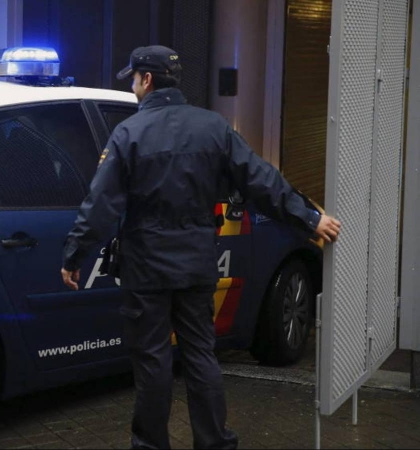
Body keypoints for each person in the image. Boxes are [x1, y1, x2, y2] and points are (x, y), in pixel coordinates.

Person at [60, 45, 341, 449]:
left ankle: (151, 444)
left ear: (148, 80)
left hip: (146, 269)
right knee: (200, 355)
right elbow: (261, 180)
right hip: (196, 264)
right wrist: (311, 218)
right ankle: (213, 442)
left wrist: (75, 255)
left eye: (135, 78)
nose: (134, 86)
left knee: (153, 361)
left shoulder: (129, 133)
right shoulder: (214, 127)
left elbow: (100, 204)